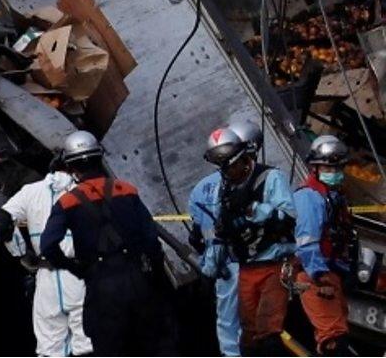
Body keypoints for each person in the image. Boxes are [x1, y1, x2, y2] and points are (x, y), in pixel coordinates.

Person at [39, 131, 170, 356]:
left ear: (71, 167)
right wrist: (155, 274)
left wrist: (75, 268)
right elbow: (150, 239)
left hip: (101, 285)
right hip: (138, 280)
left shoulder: (67, 202)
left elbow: (48, 245)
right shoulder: (127, 190)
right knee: (153, 344)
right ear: (100, 158)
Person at [204, 127, 296, 356]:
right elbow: (220, 228)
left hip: (274, 264)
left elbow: (290, 217)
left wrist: (257, 211)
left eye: (229, 165)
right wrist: (214, 257)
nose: (227, 172)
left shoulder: (269, 178)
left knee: (268, 331)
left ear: (242, 158)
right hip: (247, 267)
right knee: (249, 336)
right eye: (222, 167)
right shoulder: (224, 190)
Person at [0, 160, 92, 356]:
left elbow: (1, 222)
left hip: (46, 277)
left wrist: (21, 253)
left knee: (49, 346)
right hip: (79, 275)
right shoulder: (84, 191)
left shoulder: (30, 191)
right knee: (86, 342)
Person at [187, 119, 265, 357]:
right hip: (256, 264)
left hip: (224, 269)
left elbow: (198, 234)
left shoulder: (201, 188)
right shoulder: (260, 181)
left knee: (228, 326)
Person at [293, 135, 356, 356]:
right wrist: (321, 277)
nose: (335, 172)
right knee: (333, 341)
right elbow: (307, 243)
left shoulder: (332, 196)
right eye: (329, 167)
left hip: (332, 272)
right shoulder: (309, 197)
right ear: (315, 167)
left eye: (338, 167)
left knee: (337, 334)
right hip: (316, 277)